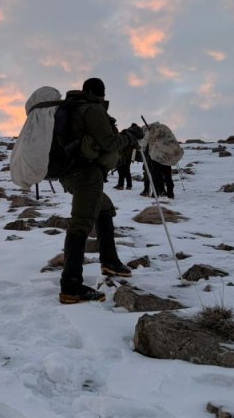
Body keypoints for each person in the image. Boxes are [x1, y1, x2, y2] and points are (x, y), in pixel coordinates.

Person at [56, 78, 144, 304]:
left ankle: (110, 261)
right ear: (100, 93)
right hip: (86, 174)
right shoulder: (92, 109)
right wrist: (131, 136)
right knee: (81, 224)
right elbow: (109, 143)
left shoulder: (71, 108)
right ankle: (71, 286)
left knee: (105, 208)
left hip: (70, 174)